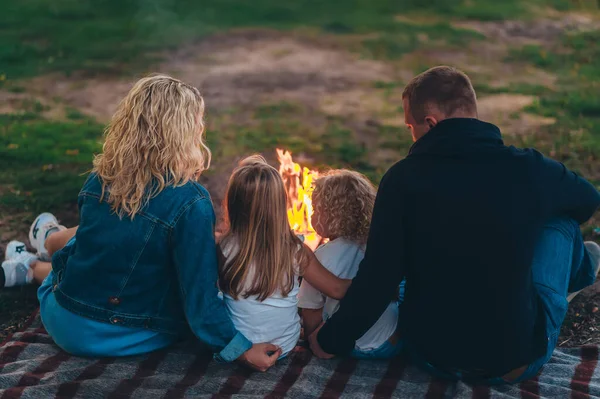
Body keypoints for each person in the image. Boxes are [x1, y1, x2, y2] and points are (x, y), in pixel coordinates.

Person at [309, 66, 600, 384]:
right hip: (515, 362)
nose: (412, 135)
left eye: (411, 127)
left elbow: (378, 280)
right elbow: (587, 200)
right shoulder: (528, 168)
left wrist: (329, 341)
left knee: (408, 274)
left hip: (433, 357)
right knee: (562, 218)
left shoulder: (401, 179)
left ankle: (582, 266)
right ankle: (585, 271)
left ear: (430, 123)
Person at [1, 75, 280, 371]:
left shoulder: (100, 179)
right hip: (121, 335)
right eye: (198, 121)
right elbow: (200, 299)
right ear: (183, 131)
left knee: (86, 241)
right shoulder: (192, 202)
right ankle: (34, 259)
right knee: (181, 270)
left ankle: (39, 250)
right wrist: (242, 350)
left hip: (62, 316)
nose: (202, 128)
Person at [218, 156, 350, 357]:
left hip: (240, 346)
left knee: (221, 296)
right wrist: (383, 284)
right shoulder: (295, 249)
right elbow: (337, 289)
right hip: (284, 346)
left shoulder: (222, 247)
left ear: (233, 204)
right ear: (280, 205)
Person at [298, 170, 403, 359]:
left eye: (315, 209)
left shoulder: (320, 257)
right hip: (392, 340)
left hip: (359, 347)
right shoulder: (376, 247)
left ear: (332, 215)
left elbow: (311, 310)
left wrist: (311, 338)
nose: (311, 215)